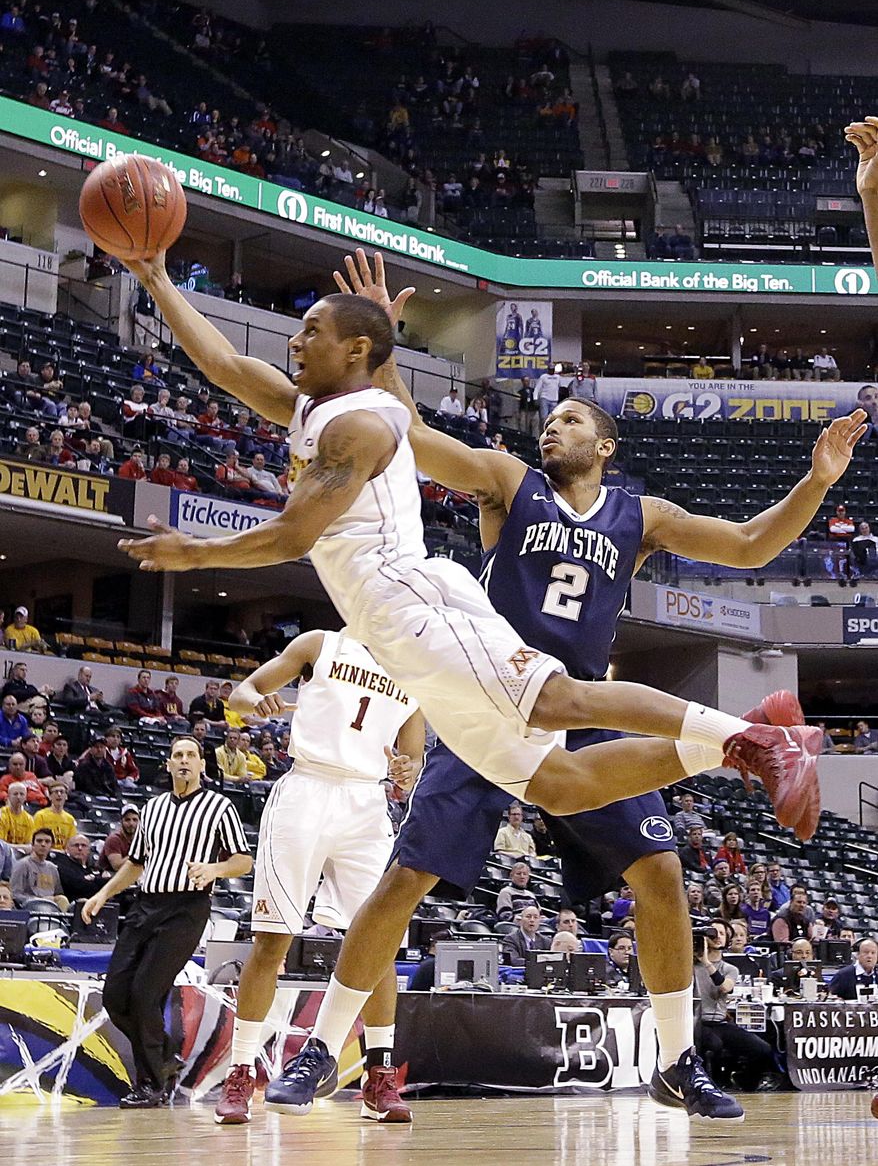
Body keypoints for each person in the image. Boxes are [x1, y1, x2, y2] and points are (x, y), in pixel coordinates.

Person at [119, 247, 830, 1121]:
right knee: (413, 874)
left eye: (572, 420)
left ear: (605, 444)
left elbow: (754, 545)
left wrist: (817, 479)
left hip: (514, 668)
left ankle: (747, 758)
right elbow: (402, 435)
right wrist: (175, 284)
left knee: (657, 870)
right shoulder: (506, 480)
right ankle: (322, 1049)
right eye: (552, 419)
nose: (554, 429)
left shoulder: (640, 515)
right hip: (464, 681)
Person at [214, 631, 423, 1126]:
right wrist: (252, 701)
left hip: (367, 804)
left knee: (380, 945)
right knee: (272, 941)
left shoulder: (415, 667)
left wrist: (405, 769)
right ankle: (241, 1072)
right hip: (306, 790)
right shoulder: (321, 644)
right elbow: (242, 693)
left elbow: (411, 757)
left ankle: (379, 1076)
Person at [81, 735, 251, 1107]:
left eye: (192, 755)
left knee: (145, 993)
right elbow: (136, 863)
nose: (185, 760)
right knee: (114, 995)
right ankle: (166, 1056)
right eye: (178, 755)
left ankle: (151, 1084)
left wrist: (214, 869)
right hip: (145, 905)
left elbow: (244, 860)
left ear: (203, 765)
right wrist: (103, 893)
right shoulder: (153, 808)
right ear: (170, 765)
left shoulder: (219, 806)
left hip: (186, 908)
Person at [694, 926, 775, 1090]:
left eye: (722, 933)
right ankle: (714, 1085)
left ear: (727, 939)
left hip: (719, 1022)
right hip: (697, 1022)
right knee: (714, 1045)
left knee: (763, 1049)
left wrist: (707, 963)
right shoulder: (689, 966)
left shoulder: (730, 969)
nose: (717, 937)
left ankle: (743, 1080)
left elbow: (725, 987)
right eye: (713, 933)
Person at [11, 829, 68, 911]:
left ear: (51, 846)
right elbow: (15, 894)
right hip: (30, 909)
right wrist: (40, 900)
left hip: (51, 909)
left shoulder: (52, 868)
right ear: (32, 844)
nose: (43, 844)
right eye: (39, 841)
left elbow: (58, 893)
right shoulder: (23, 865)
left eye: (47, 841)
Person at [56, 833, 104, 903]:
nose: (80, 848)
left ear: (89, 850)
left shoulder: (94, 866)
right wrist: (96, 880)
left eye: (84, 846)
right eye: (76, 845)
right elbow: (76, 885)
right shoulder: (62, 864)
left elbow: (106, 883)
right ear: (67, 848)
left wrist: (93, 878)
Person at [31, 780, 77, 850]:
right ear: (49, 796)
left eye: (62, 792)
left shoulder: (70, 819)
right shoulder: (40, 815)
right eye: (56, 792)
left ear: (66, 796)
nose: (59, 794)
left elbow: (71, 843)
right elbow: (37, 840)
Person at [100, 804, 140, 873]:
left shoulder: (140, 839)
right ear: (121, 821)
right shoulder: (113, 839)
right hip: (110, 877)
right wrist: (138, 853)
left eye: (135, 820)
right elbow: (117, 867)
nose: (131, 823)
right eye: (127, 820)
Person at [0, 782, 35, 846]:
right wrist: (20, 848)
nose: (18, 797)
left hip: (23, 854)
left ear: (25, 797)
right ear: (8, 797)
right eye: (15, 794)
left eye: (22, 794)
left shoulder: (29, 819)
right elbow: (1, 845)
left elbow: (29, 845)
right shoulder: (2, 815)